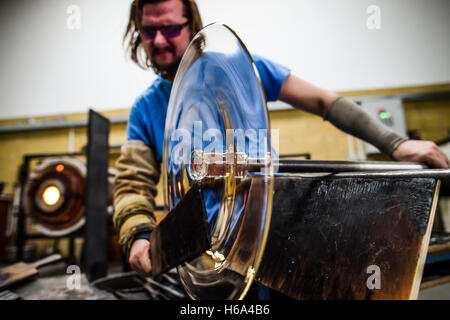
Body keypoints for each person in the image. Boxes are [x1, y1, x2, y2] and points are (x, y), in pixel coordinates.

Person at [113, 0, 450, 278]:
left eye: (170, 28)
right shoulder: (145, 109)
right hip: (208, 261)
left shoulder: (239, 69)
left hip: (274, 233)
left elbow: (324, 101)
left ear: (192, 24)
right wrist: (138, 238)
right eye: (149, 30)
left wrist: (395, 143)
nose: (158, 40)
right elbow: (132, 183)